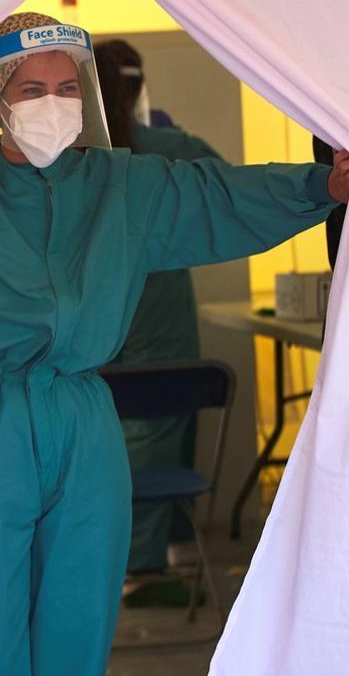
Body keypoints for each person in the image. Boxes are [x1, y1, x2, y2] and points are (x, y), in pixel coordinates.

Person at [0, 12, 349, 676]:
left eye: (68, 89)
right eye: (33, 89)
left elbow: (222, 198)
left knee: (81, 613)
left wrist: (321, 188)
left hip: (84, 419)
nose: (54, 104)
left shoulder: (123, 188)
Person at [93, 38, 221, 593]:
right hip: (159, 309)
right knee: (161, 417)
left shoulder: (71, 154)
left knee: (99, 431)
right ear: (139, 87)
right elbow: (230, 189)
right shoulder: (169, 147)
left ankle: (112, 553)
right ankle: (143, 562)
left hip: (91, 306)